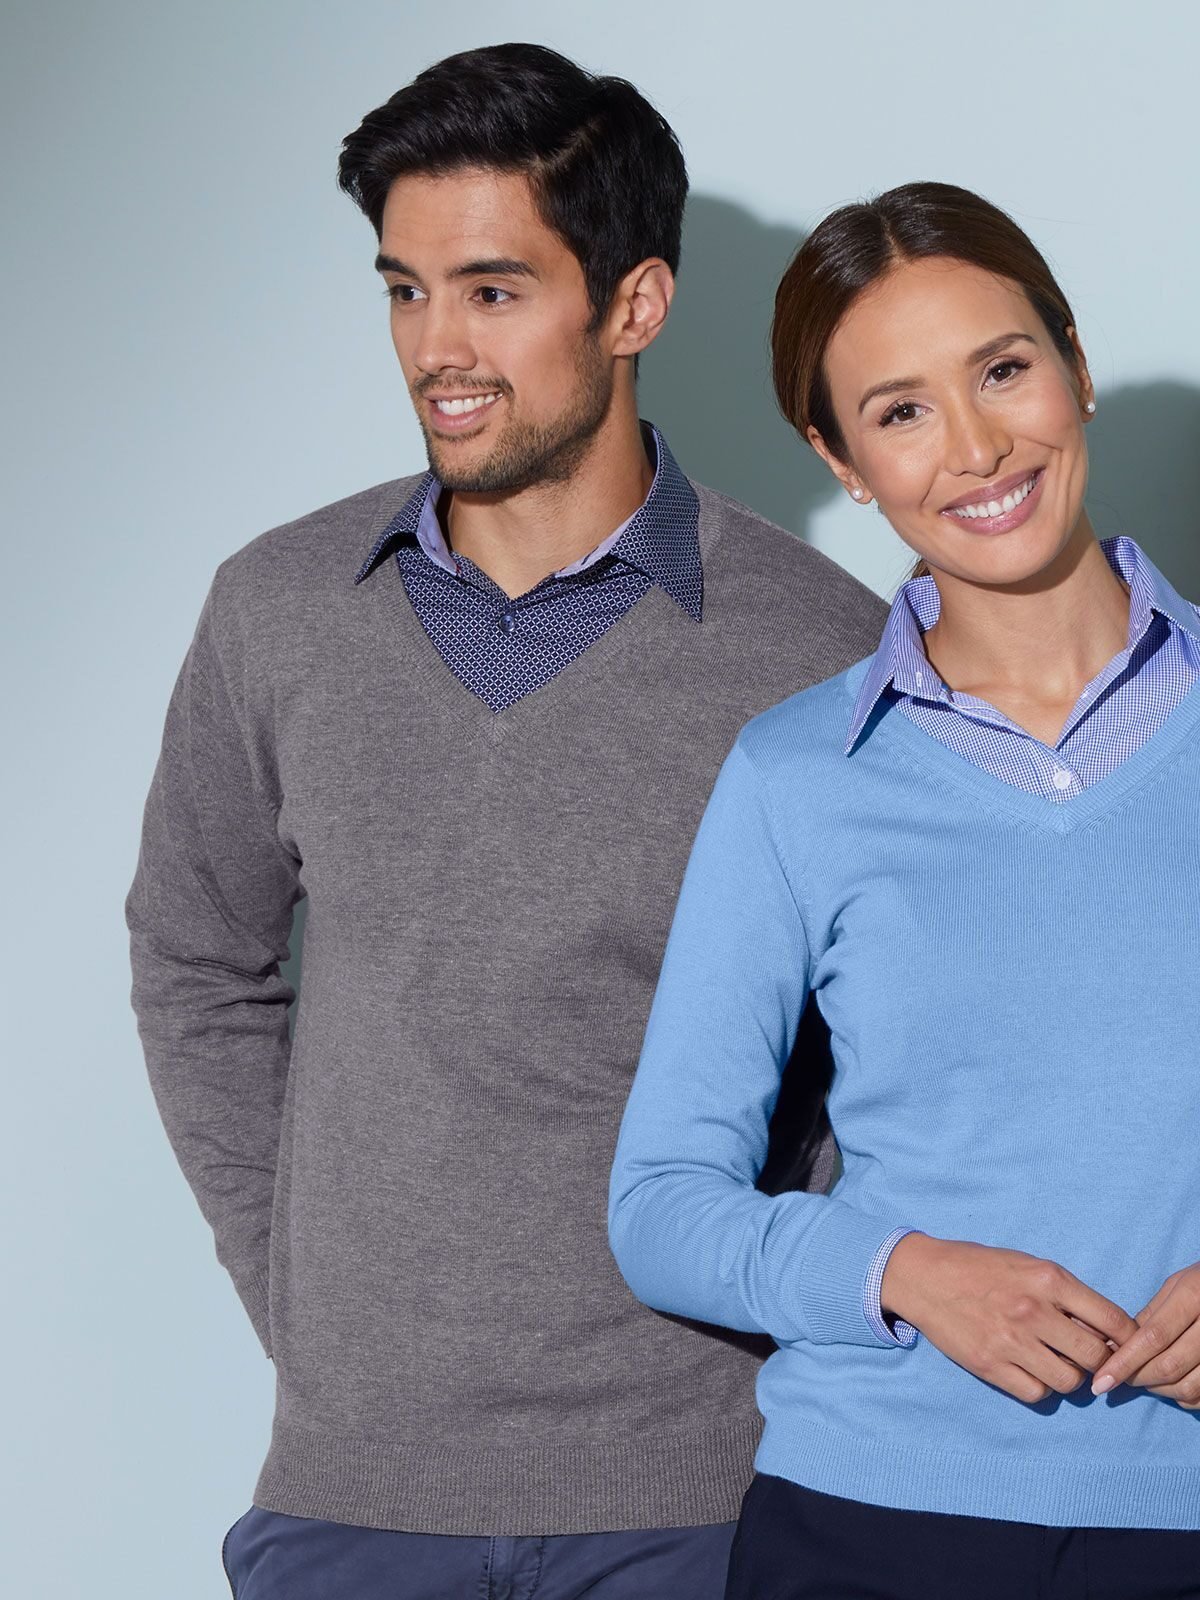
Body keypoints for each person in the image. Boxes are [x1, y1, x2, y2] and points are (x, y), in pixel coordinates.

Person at [126, 42, 885, 1600]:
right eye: (405, 290)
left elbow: (890, 1046)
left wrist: (778, 1312)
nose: (437, 348)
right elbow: (195, 958)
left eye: (491, 290)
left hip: (702, 1497)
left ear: (634, 305)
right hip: (354, 1496)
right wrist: (301, 1295)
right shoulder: (276, 610)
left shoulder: (822, 649)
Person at [608, 181, 1200, 1600]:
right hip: (874, 1524)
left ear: (1074, 363)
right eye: (901, 411)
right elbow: (661, 1203)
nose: (977, 448)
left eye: (1002, 370)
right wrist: (902, 1271)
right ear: (843, 459)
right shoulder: (793, 777)